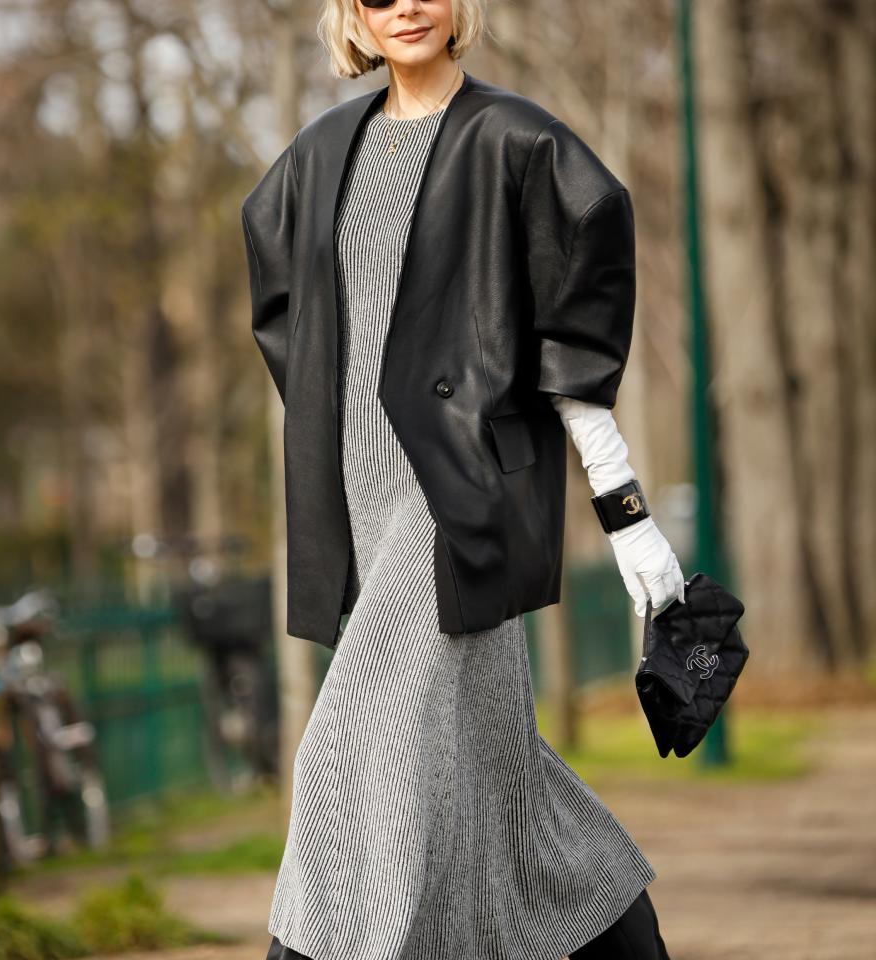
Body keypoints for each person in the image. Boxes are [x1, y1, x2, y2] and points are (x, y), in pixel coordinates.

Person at [242, 1, 683, 957]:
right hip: (356, 505)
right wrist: (339, 426)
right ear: (351, 13)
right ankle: (621, 942)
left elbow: (574, 336)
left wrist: (627, 514)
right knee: (494, 774)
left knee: (341, 760)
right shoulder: (316, 158)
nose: (405, 4)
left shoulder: (517, 142)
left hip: (458, 500)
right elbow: (285, 320)